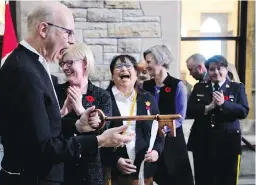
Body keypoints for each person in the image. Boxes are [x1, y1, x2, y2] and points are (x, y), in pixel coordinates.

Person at [0, 3, 133, 185]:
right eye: (68, 32)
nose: (72, 41)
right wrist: (99, 140)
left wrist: (76, 126)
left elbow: (38, 131)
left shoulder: (33, 65)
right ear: (43, 29)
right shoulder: (24, 72)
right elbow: (43, 147)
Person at [55, 43, 112, 185]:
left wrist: (81, 110)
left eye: (69, 62)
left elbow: (103, 131)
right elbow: (48, 128)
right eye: (63, 63)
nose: (65, 68)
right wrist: (62, 113)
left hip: (90, 170)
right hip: (61, 168)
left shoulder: (102, 95)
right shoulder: (55, 92)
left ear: (85, 63)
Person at [187, 55, 249, 185]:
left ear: (226, 69)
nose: (216, 72)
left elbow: (243, 111)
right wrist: (208, 108)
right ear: (208, 71)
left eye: (220, 68)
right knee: (203, 179)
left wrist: (224, 104)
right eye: (212, 69)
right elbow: (189, 111)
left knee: (227, 180)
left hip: (228, 143)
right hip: (203, 143)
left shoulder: (236, 88)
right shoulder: (199, 88)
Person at [104, 55, 165, 185]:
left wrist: (156, 151)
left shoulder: (147, 97)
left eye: (128, 66)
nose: (123, 69)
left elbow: (161, 128)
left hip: (144, 170)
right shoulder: (104, 98)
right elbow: (96, 135)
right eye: (119, 66)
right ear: (112, 75)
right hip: (115, 173)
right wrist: (115, 160)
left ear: (136, 74)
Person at [143, 45, 194, 185]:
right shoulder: (145, 86)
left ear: (160, 61)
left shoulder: (178, 86)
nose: (146, 66)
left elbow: (180, 118)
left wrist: (161, 131)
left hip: (172, 144)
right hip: (151, 143)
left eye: (148, 62)